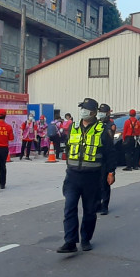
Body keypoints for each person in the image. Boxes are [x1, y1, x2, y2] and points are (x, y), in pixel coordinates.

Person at [57, 98, 115, 253]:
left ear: (93, 112)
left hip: (92, 177)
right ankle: (70, 241)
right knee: (69, 208)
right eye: (81, 108)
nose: (82, 111)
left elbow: (110, 153)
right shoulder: (74, 127)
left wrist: (111, 172)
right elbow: (69, 147)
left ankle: (86, 238)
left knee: (89, 211)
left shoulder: (102, 130)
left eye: (85, 109)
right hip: (72, 176)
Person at [97, 104, 118, 215]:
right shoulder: (96, 123)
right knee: (96, 184)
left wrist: (112, 170)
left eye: (103, 112)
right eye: (100, 111)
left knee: (105, 184)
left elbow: (110, 143)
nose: (101, 113)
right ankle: (97, 204)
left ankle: (104, 205)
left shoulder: (111, 125)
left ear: (108, 113)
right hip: (96, 158)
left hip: (106, 157)